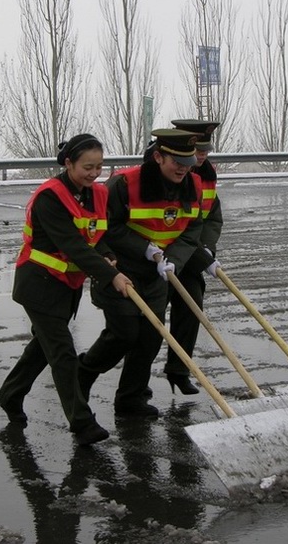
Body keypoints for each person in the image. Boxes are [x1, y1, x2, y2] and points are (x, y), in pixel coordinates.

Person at [0, 133, 132, 445]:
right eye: (87, 167)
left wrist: (108, 255)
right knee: (62, 352)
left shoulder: (97, 194)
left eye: (99, 166)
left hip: (68, 285)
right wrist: (111, 275)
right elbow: (73, 245)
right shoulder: (50, 197)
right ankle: (82, 423)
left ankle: (10, 394)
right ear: (68, 163)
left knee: (42, 348)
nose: (94, 173)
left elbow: (96, 236)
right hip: (39, 285)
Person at [77, 128, 215, 418]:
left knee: (151, 335)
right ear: (158, 157)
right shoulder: (125, 183)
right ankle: (84, 371)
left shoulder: (193, 184)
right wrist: (145, 248)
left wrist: (174, 260)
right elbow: (104, 226)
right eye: (177, 162)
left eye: (188, 162)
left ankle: (130, 398)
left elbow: (192, 229)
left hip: (157, 272)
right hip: (120, 268)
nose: (183, 168)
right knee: (124, 333)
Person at [162, 119, 223, 395]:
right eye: (198, 150)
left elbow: (211, 217)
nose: (202, 156)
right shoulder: (167, 173)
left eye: (206, 151)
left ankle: (179, 370)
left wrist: (207, 248)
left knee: (192, 306)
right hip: (161, 256)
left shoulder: (207, 175)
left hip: (190, 255)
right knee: (146, 322)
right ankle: (134, 387)